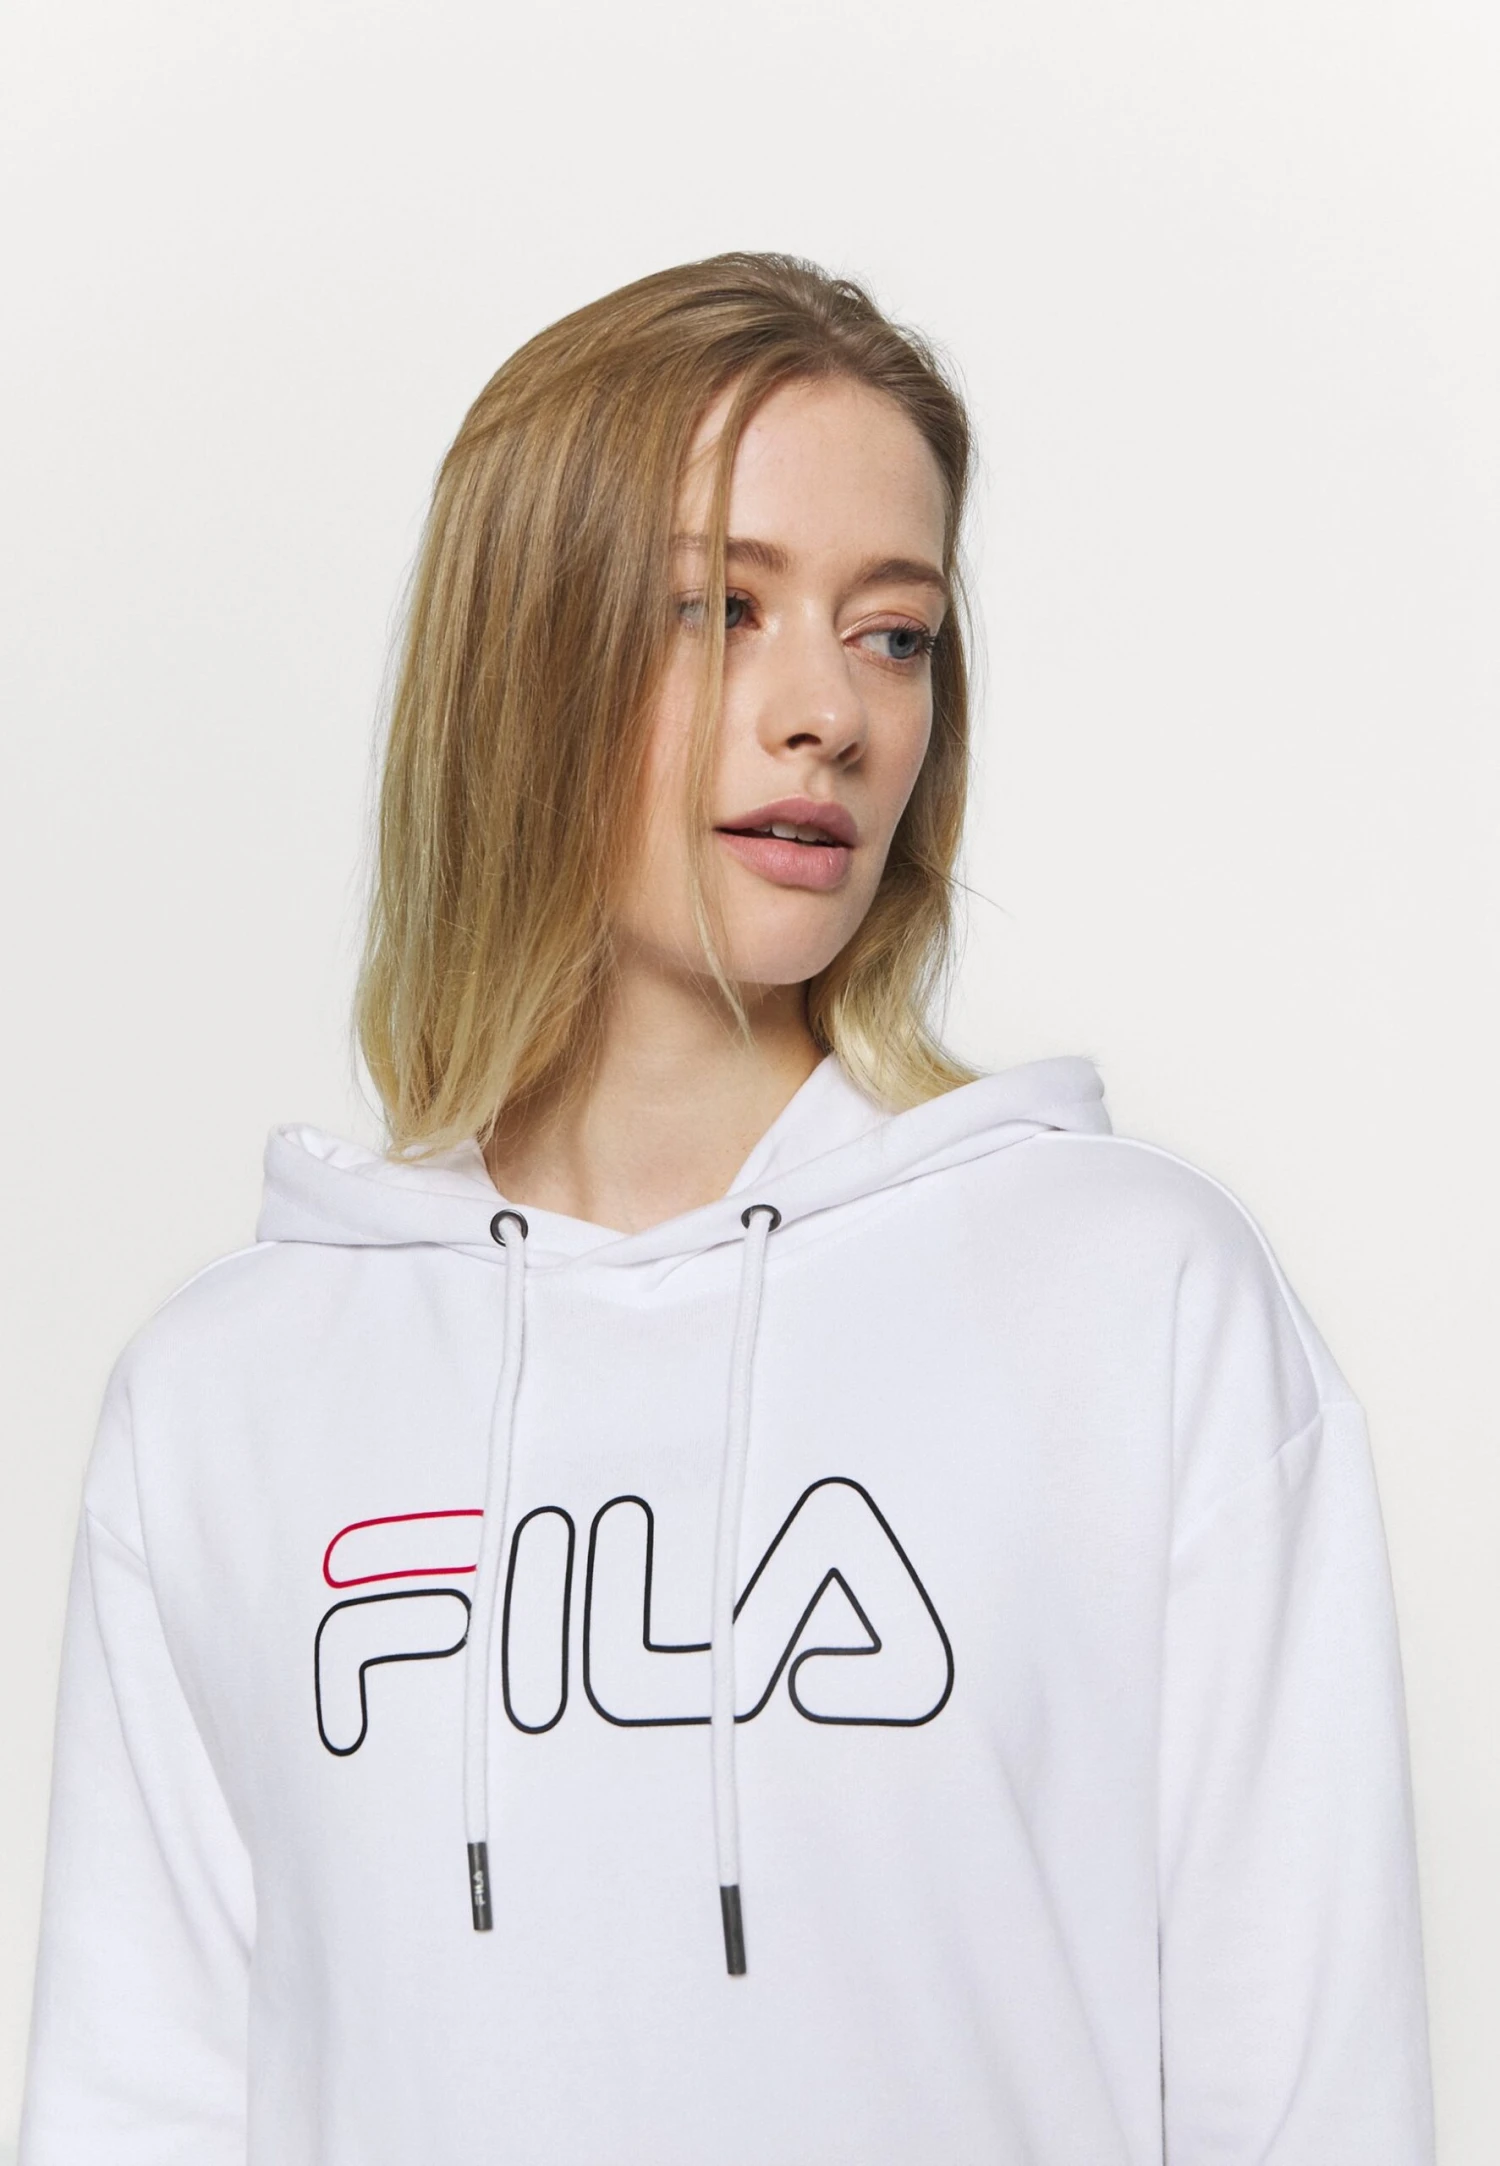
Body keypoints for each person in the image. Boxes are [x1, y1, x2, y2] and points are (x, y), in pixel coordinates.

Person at [20, 253, 1434, 2165]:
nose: (827, 712)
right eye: (719, 607)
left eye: (893, 633)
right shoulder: (229, 1396)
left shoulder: (1132, 1303)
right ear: (523, 657)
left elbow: (1312, 2092)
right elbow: (140, 2106)